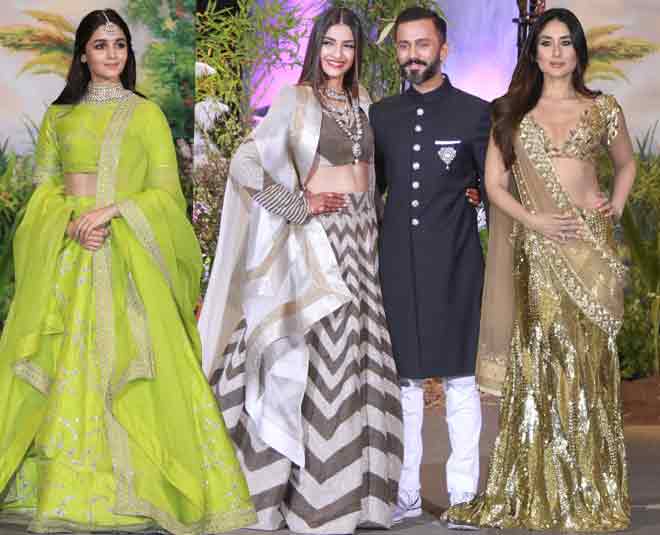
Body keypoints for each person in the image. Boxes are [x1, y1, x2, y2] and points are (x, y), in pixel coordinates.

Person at [0, 10, 256, 534]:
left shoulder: (146, 115)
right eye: (100, 45)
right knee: (59, 363)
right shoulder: (59, 117)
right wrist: (72, 223)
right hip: (70, 257)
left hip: (128, 256)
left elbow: (165, 196)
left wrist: (111, 212)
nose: (112, 54)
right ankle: (62, 490)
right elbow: (43, 192)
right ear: (83, 54)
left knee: (135, 365)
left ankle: (143, 490)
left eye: (119, 44)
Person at [198, 7, 403, 534]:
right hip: (317, 243)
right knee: (304, 354)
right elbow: (245, 163)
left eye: (348, 46)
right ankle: (281, 497)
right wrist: (296, 205)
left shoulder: (364, 101)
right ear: (316, 47)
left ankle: (354, 500)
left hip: (363, 243)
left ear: (358, 53)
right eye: (329, 43)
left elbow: (376, 176)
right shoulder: (296, 99)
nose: (338, 54)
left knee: (356, 359)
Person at [443, 7, 635, 531]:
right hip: (539, 250)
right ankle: (541, 487)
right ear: (534, 52)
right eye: (546, 42)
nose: (555, 52)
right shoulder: (511, 113)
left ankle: (588, 489)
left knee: (588, 361)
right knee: (547, 356)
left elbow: (625, 163)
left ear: (578, 51)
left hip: (590, 249)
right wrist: (537, 221)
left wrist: (614, 207)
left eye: (565, 42)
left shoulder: (603, 109)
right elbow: (495, 186)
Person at [368, 6, 490, 524]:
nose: (412, 55)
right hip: (398, 265)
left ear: (444, 48)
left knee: (461, 381)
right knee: (406, 385)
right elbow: (371, 192)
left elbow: (492, 189)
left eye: (422, 44)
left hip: (459, 264)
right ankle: (406, 495)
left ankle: (463, 496)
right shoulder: (381, 116)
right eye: (403, 46)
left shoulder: (475, 113)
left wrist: (477, 204)